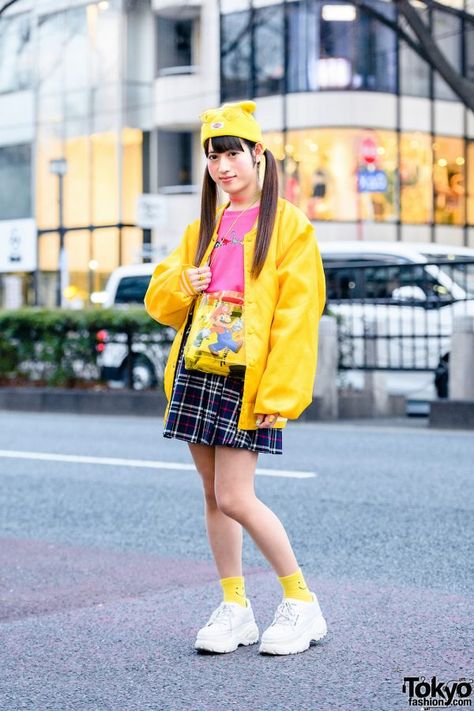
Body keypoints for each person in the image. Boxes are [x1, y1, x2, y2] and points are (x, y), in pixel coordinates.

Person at [144, 100, 327, 656]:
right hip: (200, 370)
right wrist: (185, 281)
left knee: (236, 496)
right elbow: (160, 302)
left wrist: (282, 393)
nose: (223, 166)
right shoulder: (205, 225)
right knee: (212, 495)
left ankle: (301, 602)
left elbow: (300, 316)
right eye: (213, 156)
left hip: (249, 379)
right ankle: (235, 606)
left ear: (257, 156)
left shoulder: (291, 226)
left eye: (232, 154)